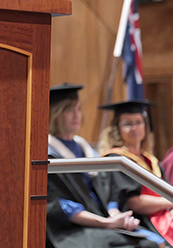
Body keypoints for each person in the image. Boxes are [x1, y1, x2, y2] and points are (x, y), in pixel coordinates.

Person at [46, 83, 162, 248]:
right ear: (55, 114)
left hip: (103, 221)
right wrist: (105, 222)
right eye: (69, 110)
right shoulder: (50, 155)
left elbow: (108, 193)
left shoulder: (85, 150)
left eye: (78, 109)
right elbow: (59, 207)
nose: (76, 115)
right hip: (73, 229)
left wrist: (115, 215)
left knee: (153, 243)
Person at [99, 100, 173, 246]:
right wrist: (169, 202)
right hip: (141, 220)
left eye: (139, 122)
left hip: (162, 214)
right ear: (117, 129)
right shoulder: (117, 161)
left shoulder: (151, 160)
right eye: (128, 124)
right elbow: (133, 202)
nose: (135, 128)